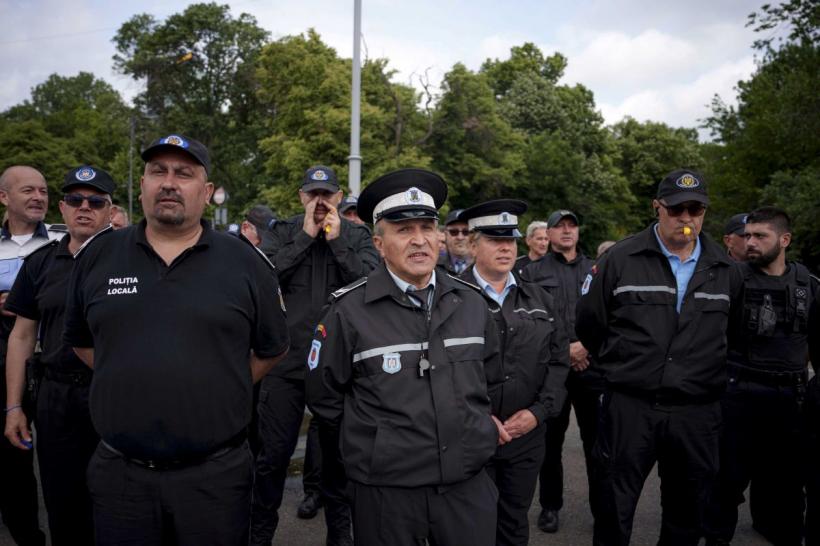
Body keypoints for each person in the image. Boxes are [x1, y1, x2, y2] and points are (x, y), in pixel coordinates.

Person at [63, 134, 290, 546]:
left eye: (183, 174)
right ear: (142, 186)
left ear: (205, 193)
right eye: (157, 172)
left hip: (216, 480)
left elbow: (273, 349)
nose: (168, 182)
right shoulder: (98, 256)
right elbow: (81, 342)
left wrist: (220, 385)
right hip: (120, 477)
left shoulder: (245, 262)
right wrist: (131, 375)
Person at [306, 168, 502, 546]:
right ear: (379, 244)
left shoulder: (472, 303)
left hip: (466, 487)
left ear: (440, 237)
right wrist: (379, 446)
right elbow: (325, 399)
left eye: (427, 228)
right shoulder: (347, 312)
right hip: (386, 494)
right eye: (404, 230)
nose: (419, 241)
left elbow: (490, 377)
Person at [576, 168, 742, 545]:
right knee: (613, 509)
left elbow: (732, 335)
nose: (686, 219)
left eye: (695, 210)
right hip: (630, 407)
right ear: (657, 207)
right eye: (676, 209)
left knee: (688, 512)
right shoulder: (621, 259)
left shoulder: (726, 269)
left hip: (696, 412)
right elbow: (590, 324)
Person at [253, 165, 378, 546]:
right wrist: (306, 238)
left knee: (338, 463)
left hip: (338, 367)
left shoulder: (357, 234)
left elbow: (370, 286)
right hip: (285, 363)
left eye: (327, 194)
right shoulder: (282, 232)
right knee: (272, 458)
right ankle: (258, 536)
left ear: (340, 197)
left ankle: (340, 538)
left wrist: (338, 242)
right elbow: (262, 279)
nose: (320, 202)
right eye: (313, 194)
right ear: (301, 197)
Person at [4, 166, 114, 545]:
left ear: (110, 210)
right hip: (56, 397)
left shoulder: (130, 260)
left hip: (112, 395)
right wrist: (13, 407)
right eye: (74, 199)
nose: (84, 207)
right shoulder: (41, 262)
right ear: (63, 209)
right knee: (63, 503)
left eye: (95, 201)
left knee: (118, 504)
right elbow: (21, 336)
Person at [458, 199, 569, 546]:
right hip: (469, 436)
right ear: (474, 244)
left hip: (525, 438)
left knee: (513, 524)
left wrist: (538, 414)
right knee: (468, 527)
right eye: (494, 239)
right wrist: (478, 416)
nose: (505, 247)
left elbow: (558, 361)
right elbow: (441, 369)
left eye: (510, 239)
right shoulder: (449, 297)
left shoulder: (540, 298)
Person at [705, 207, 816, 545]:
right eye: (747, 235)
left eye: (759, 236)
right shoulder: (730, 279)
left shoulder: (808, 284)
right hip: (738, 398)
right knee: (723, 489)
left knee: (786, 492)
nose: (750, 242)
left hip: (790, 402)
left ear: (784, 240)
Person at [523, 209, 599, 534]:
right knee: (550, 444)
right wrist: (564, 350)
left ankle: (603, 509)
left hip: (591, 368)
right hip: (552, 371)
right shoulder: (531, 271)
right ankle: (550, 506)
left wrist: (586, 346)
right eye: (559, 226)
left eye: (572, 225)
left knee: (597, 444)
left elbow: (610, 315)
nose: (567, 231)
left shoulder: (598, 269)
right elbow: (528, 319)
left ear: (578, 232)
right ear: (548, 234)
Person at [0, 165, 64, 546]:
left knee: (64, 462)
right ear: (5, 197)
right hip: (5, 365)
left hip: (57, 363)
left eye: (42, 190)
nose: (39, 197)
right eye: (28, 190)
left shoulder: (63, 238)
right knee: (12, 465)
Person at [437, 208, 472, 274]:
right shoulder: (434, 266)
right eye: (453, 232)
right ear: (446, 234)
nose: (460, 237)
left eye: (466, 232)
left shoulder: (485, 265)